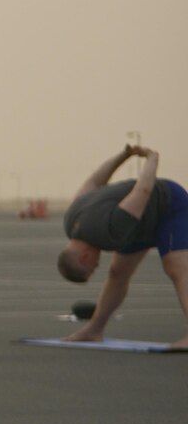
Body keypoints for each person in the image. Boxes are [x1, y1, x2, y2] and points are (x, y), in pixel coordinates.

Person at [56, 143, 188, 349]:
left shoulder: (111, 230)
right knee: (118, 273)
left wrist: (152, 159)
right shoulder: (71, 220)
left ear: (84, 257)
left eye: (90, 270)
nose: (96, 267)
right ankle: (94, 329)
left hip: (169, 206)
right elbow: (95, 181)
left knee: (176, 267)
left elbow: (144, 190)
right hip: (138, 224)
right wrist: (123, 155)